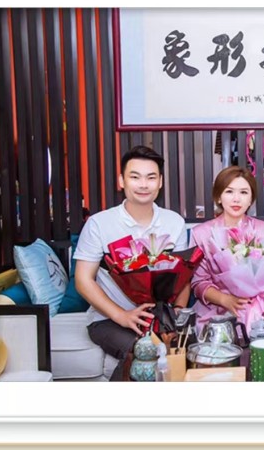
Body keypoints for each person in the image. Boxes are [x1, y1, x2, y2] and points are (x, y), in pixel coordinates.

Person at [74, 145, 189, 380]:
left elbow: (183, 276)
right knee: (144, 351)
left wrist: (176, 313)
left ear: (160, 182)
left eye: (151, 177)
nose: (143, 184)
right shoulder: (99, 224)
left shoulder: (174, 222)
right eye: (135, 177)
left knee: (188, 351)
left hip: (160, 317)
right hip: (108, 320)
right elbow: (83, 280)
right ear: (121, 181)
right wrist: (122, 316)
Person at [190, 166, 264, 330]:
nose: (236, 199)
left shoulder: (263, 230)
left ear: (251, 199)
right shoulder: (201, 233)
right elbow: (198, 282)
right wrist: (225, 300)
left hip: (255, 310)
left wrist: (257, 305)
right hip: (214, 312)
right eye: (229, 191)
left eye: (243, 192)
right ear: (219, 197)